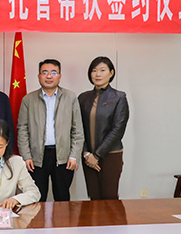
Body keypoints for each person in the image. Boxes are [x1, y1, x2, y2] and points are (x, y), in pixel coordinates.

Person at [17, 59, 84, 201]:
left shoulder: (70, 97)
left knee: (62, 197)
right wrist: (26, 156)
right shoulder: (28, 99)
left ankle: (63, 218)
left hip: (63, 157)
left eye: (53, 72)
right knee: (36, 197)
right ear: (39, 76)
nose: (49, 76)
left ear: (59, 76)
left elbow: (77, 130)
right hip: (36, 158)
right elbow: (22, 130)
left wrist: (74, 156)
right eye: (45, 72)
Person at [78, 56, 130, 200]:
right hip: (88, 156)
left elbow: (118, 129)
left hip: (110, 154)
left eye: (102, 70)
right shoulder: (83, 98)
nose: (98, 74)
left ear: (111, 73)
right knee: (93, 197)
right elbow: (78, 128)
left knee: (109, 197)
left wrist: (97, 155)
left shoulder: (119, 97)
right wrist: (86, 153)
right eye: (94, 70)